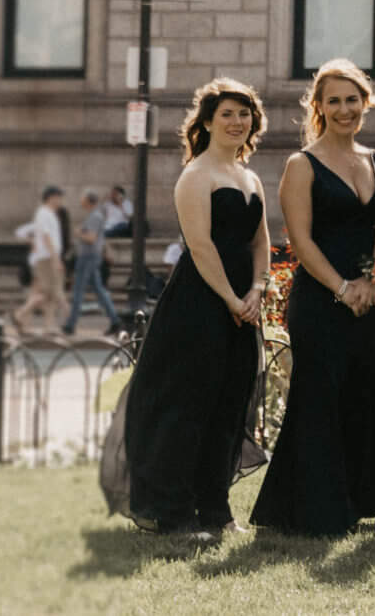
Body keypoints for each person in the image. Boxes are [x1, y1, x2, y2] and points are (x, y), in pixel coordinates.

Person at [251, 60, 375, 536]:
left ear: (366, 102)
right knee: (318, 398)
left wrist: (372, 283)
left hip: (365, 300)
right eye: (333, 101)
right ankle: (311, 511)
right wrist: (341, 288)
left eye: (352, 99)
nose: (344, 109)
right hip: (319, 301)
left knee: (359, 395)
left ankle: (355, 503)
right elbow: (300, 240)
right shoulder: (302, 165)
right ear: (318, 106)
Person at [121, 80, 269, 540]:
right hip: (199, 306)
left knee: (228, 408)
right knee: (187, 409)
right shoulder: (195, 176)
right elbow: (201, 246)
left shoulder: (249, 177)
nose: (237, 122)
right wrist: (231, 299)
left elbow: (261, 241)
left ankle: (216, 511)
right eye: (227, 113)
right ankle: (175, 515)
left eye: (244, 113)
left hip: (243, 306)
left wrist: (257, 289)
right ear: (206, 122)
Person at [12, 187, 68, 335]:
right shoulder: (44, 213)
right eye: (59, 197)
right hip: (46, 258)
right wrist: (55, 259)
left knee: (48, 294)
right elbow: (46, 236)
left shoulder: (48, 214)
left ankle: (48, 325)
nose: (61, 201)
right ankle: (20, 314)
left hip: (47, 257)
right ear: (51, 197)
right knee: (47, 292)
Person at [65, 190, 120, 336]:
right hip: (89, 257)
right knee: (99, 290)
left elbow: (91, 238)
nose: (80, 201)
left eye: (82, 199)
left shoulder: (95, 216)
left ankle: (70, 325)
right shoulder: (95, 215)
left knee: (78, 289)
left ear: (88, 201)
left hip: (88, 257)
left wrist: (78, 233)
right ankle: (115, 321)